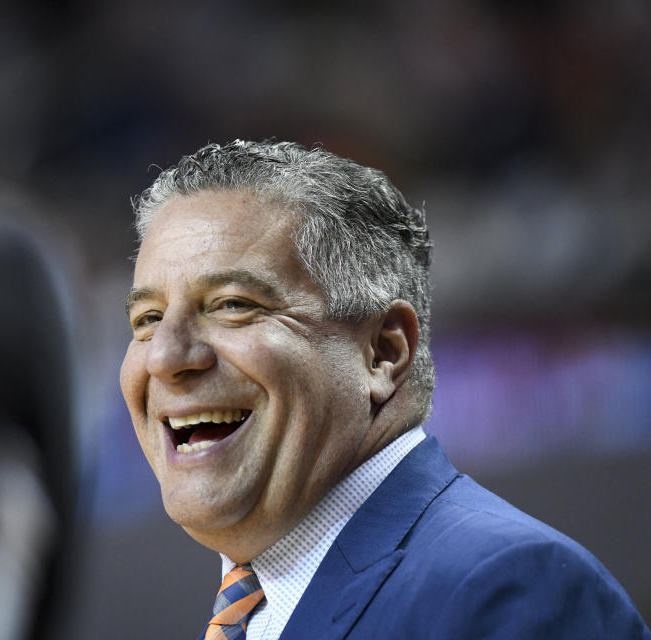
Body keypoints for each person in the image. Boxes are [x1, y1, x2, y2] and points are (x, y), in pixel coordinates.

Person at [119, 140, 650, 639]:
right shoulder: (260, 607)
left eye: (234, 304)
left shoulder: (508, 591)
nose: (165, 356)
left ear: (383, 354)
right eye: (147, 318)